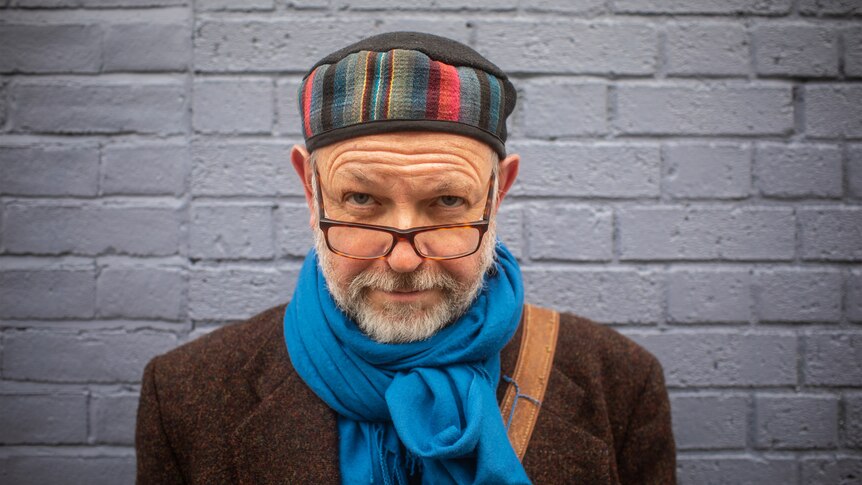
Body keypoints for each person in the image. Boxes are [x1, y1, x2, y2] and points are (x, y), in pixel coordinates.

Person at [135, 31, 676, 484]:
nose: (402, 260)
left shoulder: (619, 384)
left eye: (446, 202)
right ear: (310, 190)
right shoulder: (185, 395)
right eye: (361, 200)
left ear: (498, 193)